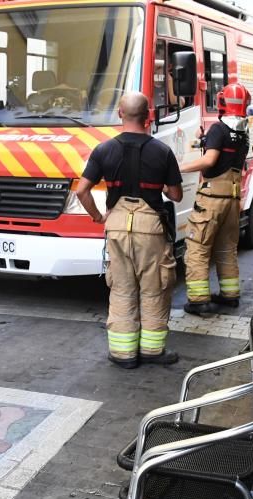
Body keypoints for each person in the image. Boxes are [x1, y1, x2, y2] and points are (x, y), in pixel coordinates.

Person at [76, 93, 183, 369]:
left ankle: (123, 354)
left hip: (117, 226)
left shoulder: (103, 150)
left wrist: (99, 216)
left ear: (120, 113)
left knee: (122, 289)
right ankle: (152, 350)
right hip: (151, 229)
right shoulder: (162, 151)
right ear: (148, 115)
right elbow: (176, 194)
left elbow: (82, 191)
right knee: (154, 288)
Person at [179, 82, 251, 316]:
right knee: (226, 248)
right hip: (232, 200)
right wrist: (205, 139)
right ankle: (230, 296)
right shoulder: (243, 132)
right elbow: (224, 153)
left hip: (212, 198)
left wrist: (180, 167)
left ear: (222, 102)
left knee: (197, 247)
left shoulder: (219, 129)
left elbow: (210, 161)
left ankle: (199, 300)